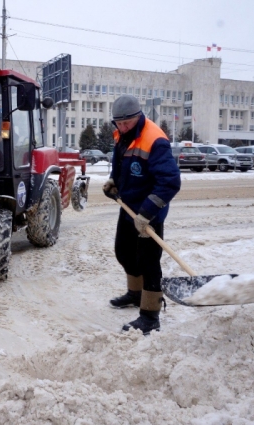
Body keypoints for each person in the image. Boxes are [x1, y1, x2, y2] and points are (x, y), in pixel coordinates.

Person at [102, 94, 181, 335]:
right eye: (118, 123)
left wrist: (147, 213)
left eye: (127, 123)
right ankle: (135, 294)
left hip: (149, 212)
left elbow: (170, 182)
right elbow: (121, 162)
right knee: (124, 252)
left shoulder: (155, 140)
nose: (122, 128)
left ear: (138, 117)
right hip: (128, 206)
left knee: (148, 262)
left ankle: (150, 314)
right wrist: (114, 181)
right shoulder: (121, 134)